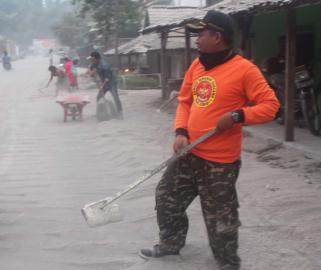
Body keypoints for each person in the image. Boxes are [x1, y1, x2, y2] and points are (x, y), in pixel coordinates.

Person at [138, 11, 280, 270]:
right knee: (167, 195)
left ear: (217, 37)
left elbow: (271, 106)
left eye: (201, 34)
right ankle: (171, 243)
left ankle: (227, 262)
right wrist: (181, 131)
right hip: (190, 152)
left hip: (220, 162)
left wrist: (238, 115)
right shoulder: (198, 65)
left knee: (220, 218)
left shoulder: (245, 70)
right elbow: (185, 101)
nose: (196, 40)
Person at [89, 52, 123, 118]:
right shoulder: (94, 64)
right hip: (104, 83)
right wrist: (91, 73)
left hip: (111, 83)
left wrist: (102, 86)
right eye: (91, 59)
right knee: (99, 97)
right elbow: (91, 70)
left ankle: (120, 112)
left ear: (97, 58)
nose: (92, 60)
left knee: (115, 97)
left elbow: (107, 78)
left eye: (93, 59)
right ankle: (99, 112)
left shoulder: (105, 65)